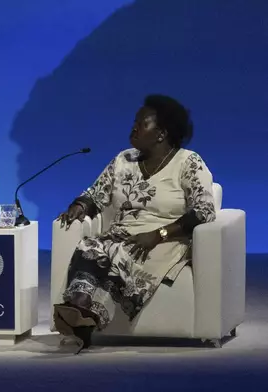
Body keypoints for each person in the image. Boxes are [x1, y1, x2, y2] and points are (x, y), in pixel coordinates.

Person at [54, 94, 216, 354]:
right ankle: (78, 310)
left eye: (142, 124)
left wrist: (159, 234)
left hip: (163, 241)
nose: (134, 128)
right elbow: (96, 193)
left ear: (161, 133)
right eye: (135, 122)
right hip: (119, 235)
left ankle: (81, 319)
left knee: (119, 253)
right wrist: (80, 206)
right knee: (91, 246)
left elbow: (204, 211)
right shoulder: (123, 160)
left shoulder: (188, 163)